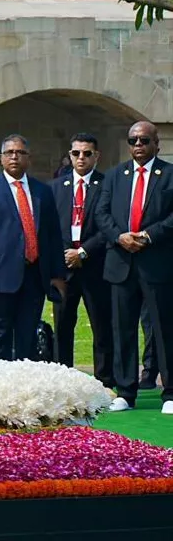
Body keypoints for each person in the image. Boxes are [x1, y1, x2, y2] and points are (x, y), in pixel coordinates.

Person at [94, 121, 173, 413]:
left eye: (144, 140)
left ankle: (170, 394)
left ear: (156, 144)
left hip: (157, 265)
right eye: (133, 140)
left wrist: (149, 236)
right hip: (121, 263)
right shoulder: (115, 176)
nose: (138, 145)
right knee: (122, 329)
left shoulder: (169, 175)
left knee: (164, 330)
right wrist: (119, 236)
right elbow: (101, 213)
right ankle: (126, 392)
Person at [0, 134, 68, 361]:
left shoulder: (42, 191)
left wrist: (57, 275)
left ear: (29, 158)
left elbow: (53, 236)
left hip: (34, 277)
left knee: (28, 338)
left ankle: (24, 391)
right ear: (1, 158)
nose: (15, 157)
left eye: (20, 153)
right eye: (9, 153)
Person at [51, 133, 112, 383]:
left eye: (87, 153)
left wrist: (83, 252)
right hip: (64, 267)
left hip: (95, 265)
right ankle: (63, 380)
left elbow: (109, 225)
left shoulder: (107, 184)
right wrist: (66, 253)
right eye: (76, 153)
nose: (81, 158)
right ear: (70, 155)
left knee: (101, 326)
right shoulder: (56, 186)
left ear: (96, 156)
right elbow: (50, 226)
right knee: (63, 326)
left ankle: (105, 381)